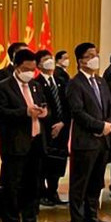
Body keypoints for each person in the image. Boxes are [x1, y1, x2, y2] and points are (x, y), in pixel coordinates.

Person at [0, 49, 50, 222]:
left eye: (33, 69)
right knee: (13, 186)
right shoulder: (3, 87)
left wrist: (44, 112)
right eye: (26, 69)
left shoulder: (35, 85)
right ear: (16, 67)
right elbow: (0, 113)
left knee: (33, 185)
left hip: (36, 142)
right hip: (15, 143)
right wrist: (24, 112)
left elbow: (44, 104)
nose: (30, 73)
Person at [66, 42, 111, 222]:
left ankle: (92, 215)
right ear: (81, 61)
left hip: (102, 140)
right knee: (81, 182)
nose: (95, 58)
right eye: (90, 55)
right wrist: (99, 126)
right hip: (85, 141)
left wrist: (108, 124)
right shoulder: (75, 83)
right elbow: (77, 112)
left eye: (96, 54)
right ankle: (77, 219)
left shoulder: (101, 81)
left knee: (96, 181)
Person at [35, 50, 69, 206]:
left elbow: (67, 105)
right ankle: (42, 193)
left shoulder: (61, 81)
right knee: (44, 162)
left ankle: (53, 192)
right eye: (45, 59)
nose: (49, 61)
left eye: (50, 58)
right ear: (38, 65)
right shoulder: (37, 83)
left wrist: (62, 123)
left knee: (58, 162)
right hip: (46, 129)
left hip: (62, 128)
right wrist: (52, 125)